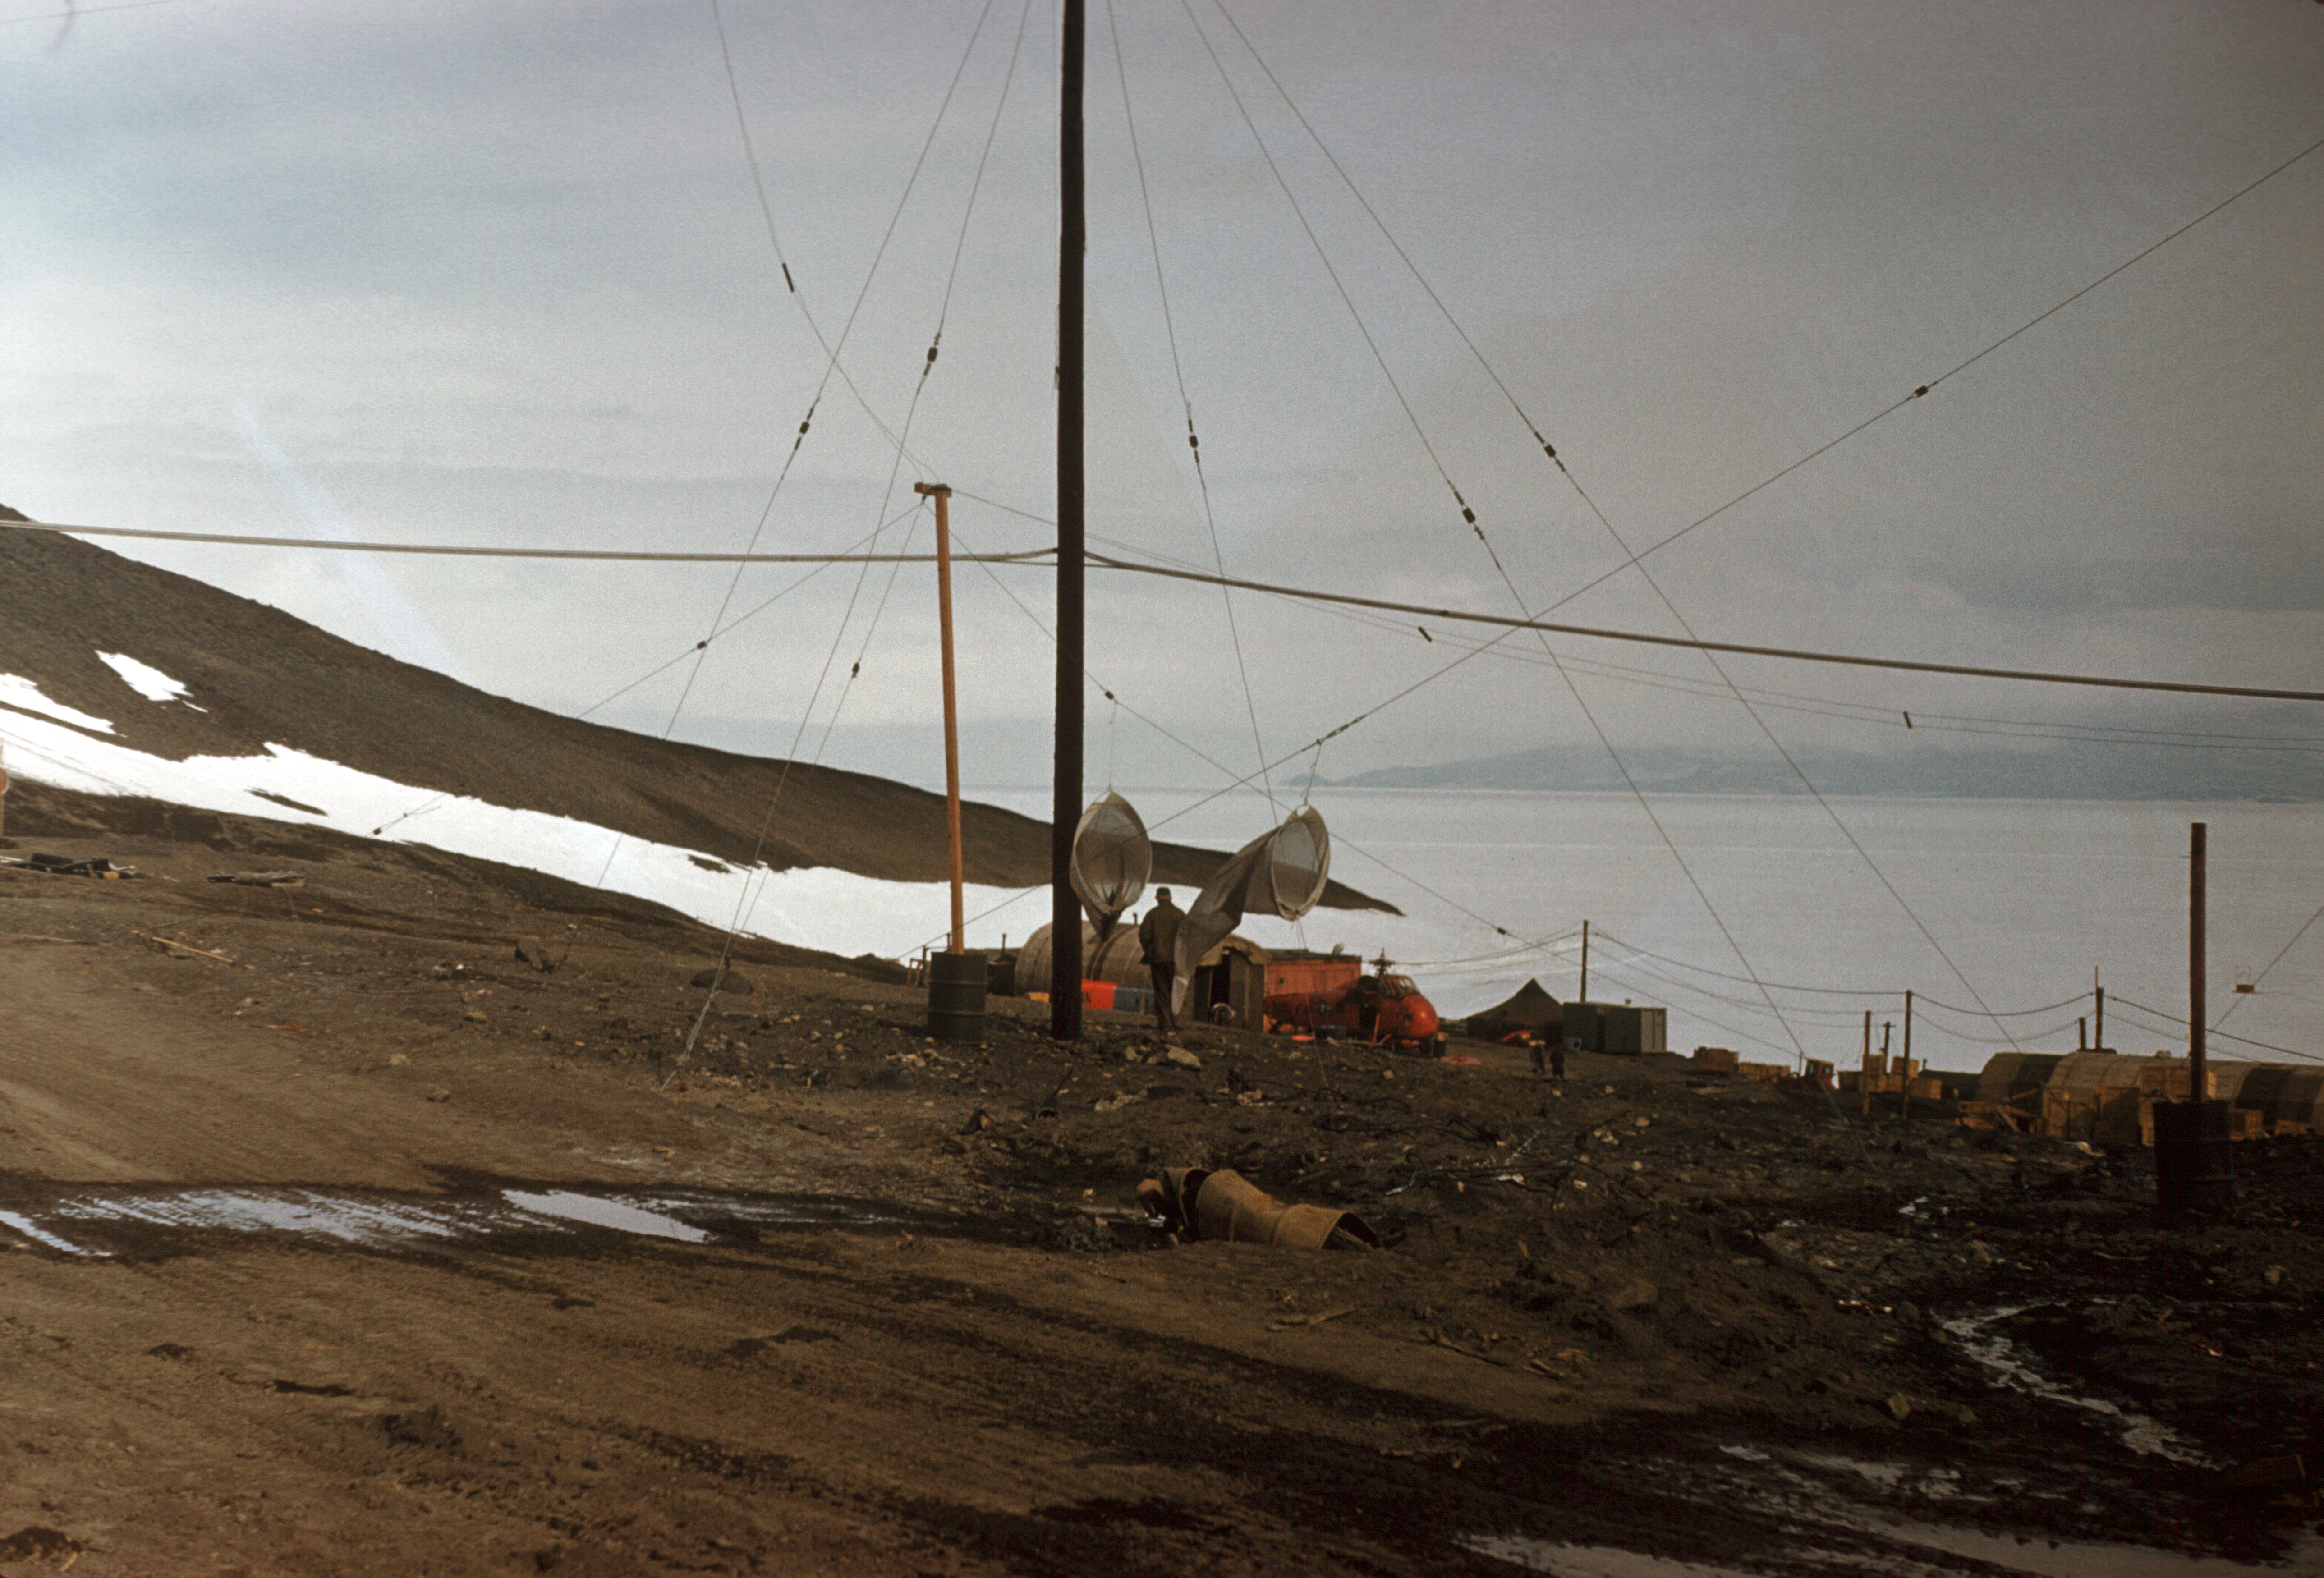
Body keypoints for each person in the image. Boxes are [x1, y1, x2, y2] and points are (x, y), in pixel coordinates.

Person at [1136, 887, 1183, 1032]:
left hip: (1158, 959)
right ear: (1170, 898)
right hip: (1176, 960)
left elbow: (1144, 935)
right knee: (1176, 991)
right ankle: (1176, 1022)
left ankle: (1165, 1024)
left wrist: (1151, 951)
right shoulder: (1180, 915)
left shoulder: (1152, 914)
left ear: (1158, 898)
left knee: (1162, 990)